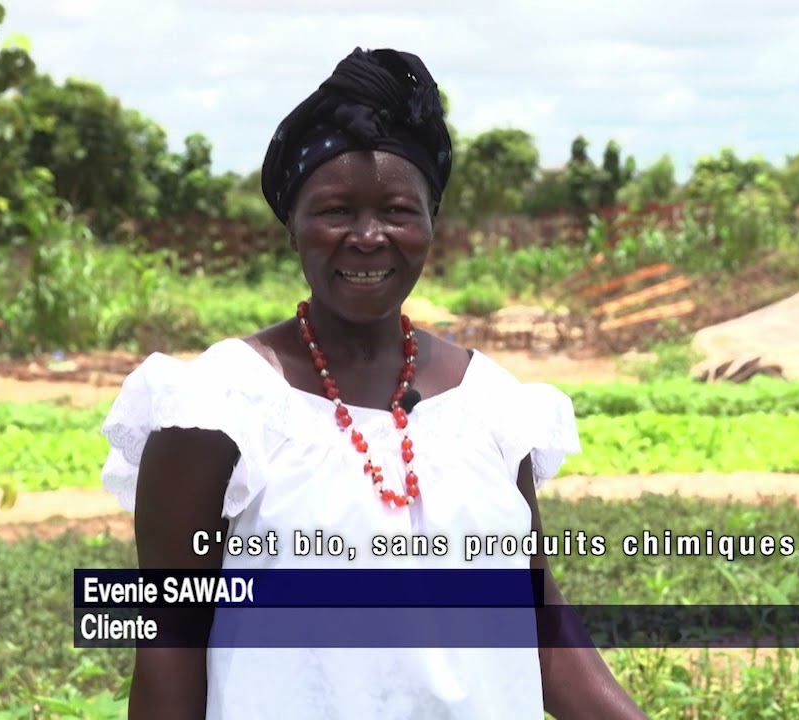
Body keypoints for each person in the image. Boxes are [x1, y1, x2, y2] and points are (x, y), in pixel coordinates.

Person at [100, 47, 648, 719]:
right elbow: (168, 649)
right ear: (292, 226)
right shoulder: (216, 410)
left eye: (397, 210)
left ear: (430, 223)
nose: (367, 236)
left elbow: (540, 626)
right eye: (335, 210)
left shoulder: (492, 407)